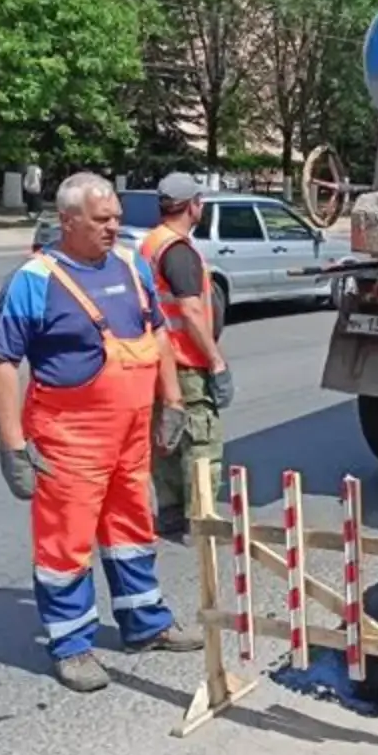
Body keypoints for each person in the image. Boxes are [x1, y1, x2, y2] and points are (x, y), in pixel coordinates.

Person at [0, 171, 204, 693]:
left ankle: (144, 622)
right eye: (101, 220)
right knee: (66, 544)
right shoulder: (34, 280)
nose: (114, 227)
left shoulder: (130, 265)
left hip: (129, 432)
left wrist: (170, 401)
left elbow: (157, 333)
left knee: (132, 529)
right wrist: (12, 444)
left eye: (117, 217)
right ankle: (72, 644)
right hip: (69, 436)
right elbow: (0, 363)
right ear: (67, 221)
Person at [140, 173, 233, 538]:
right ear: (192, 205)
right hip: (185, 363)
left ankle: (171, 512)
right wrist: (216, 360)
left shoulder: (151, 243)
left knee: (167, 437)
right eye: (201, 202)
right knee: (201, 440)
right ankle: (202, 520)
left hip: (158, 361)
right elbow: (191, 312)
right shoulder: (178, 251)